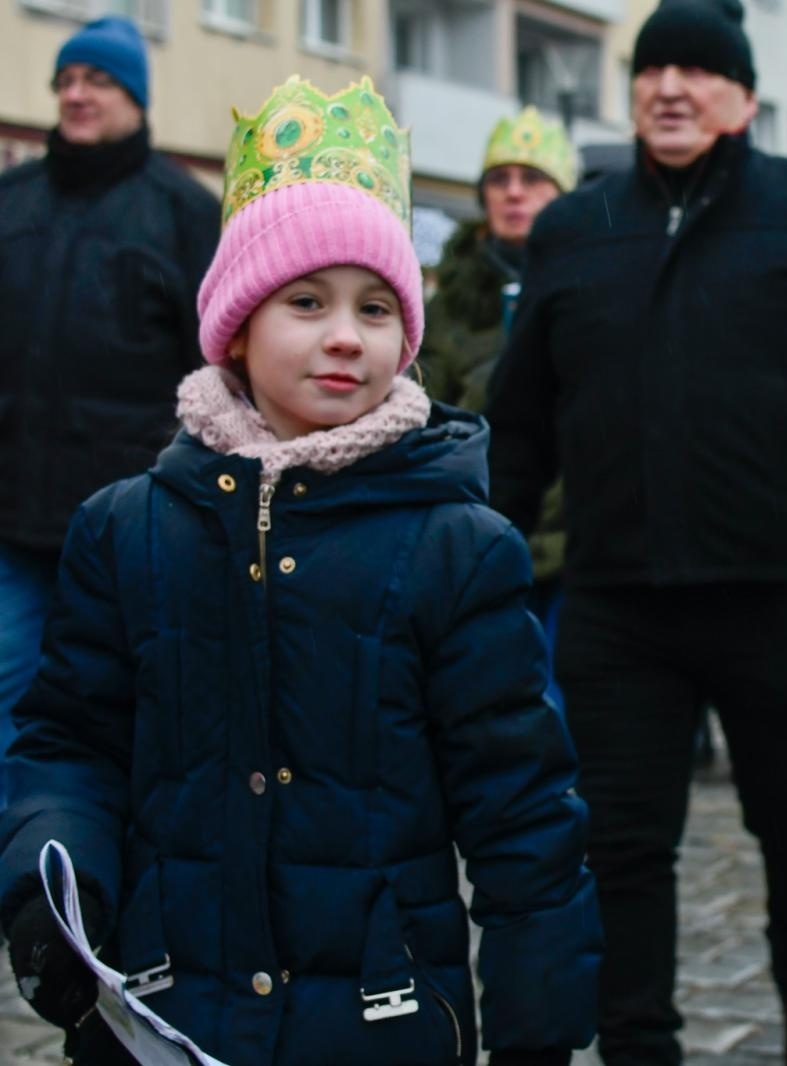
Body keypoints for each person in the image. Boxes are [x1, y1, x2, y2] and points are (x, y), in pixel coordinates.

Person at [0, 75, 601, 1066]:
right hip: (165, 1008)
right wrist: (51, 885)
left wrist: (538, 1031)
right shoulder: (126, 530)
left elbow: (523, 811)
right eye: (306, 300)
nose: (343, 336)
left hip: (380, 1019)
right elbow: (70, 742)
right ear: (236, 324)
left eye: (375, 309)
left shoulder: (459, 547)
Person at [484, 0, 787, 1060]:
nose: (670, 86)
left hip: (775, 594)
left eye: (697, 68)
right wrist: (483, 561)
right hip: (615, 601)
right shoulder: (573, 230)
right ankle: (638, 1040)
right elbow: (520, 422)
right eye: (652, 69)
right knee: (622, 845)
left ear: (745, 96)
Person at [0, 16, 219, 791]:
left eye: (95, 80)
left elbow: (216, 364)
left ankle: (100, 874)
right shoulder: (12, 200)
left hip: (127, 522)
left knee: (115, 707)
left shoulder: (183, 212)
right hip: (11, 519)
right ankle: (17, 878)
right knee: (10, 694)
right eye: (64, 81)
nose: (75, 94)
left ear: (134, 96)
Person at [418, 106, 577, 704]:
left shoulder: (590, 283)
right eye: (499, 178)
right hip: (474, 531)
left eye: (533, 179)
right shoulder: (447, 301)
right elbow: (424, 407)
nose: (514, 193)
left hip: (573, 539)